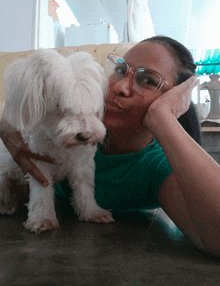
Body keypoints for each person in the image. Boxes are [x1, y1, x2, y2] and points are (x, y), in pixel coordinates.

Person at [1, 36, 220, 258]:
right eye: (120, 69)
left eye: (148, 80)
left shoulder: (155, 167)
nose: (121, 87)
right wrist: (5, 125)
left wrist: (162, 116)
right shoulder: (74, 111)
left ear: (176, 99)